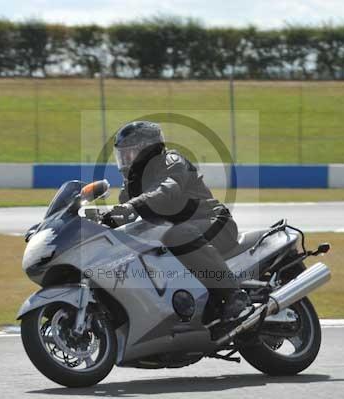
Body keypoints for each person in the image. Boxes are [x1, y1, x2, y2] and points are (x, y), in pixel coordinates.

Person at [102, 121, 248, 320]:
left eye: (131, 154)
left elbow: (167, 189)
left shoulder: (172, 160)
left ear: (148, 150)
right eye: (122, 155)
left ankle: (234, 295)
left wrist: (132, 206)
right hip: (183, 234)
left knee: (178, 235)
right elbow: (125, 214)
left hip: (215, 223)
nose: (125, 160)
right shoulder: (132, 185)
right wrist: (103, 219)